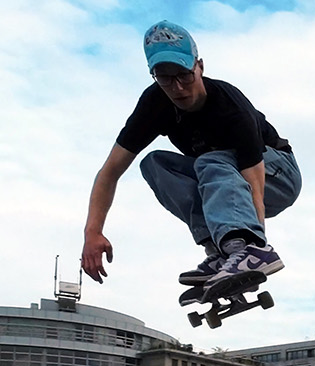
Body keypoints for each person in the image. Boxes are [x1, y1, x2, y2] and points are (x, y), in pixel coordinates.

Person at [80, 20, 301, 304]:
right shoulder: (154, 105)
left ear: (200, 67)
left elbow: (254, 184)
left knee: (210, 161)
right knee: (155, 165)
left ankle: (242, 246)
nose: (178, 87)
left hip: (277, 174)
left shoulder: (230, 106)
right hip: (225, 184)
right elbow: (109, 172)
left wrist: (254, 251)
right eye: (165, 78)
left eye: (184, 75)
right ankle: (219, 250)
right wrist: (92, 232)